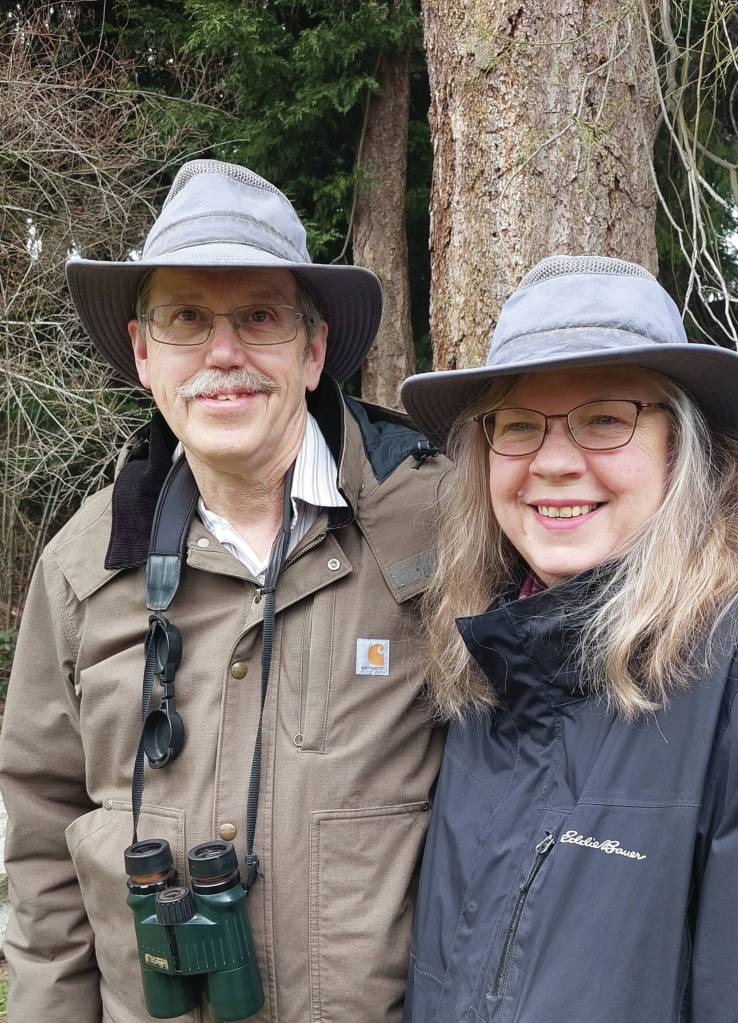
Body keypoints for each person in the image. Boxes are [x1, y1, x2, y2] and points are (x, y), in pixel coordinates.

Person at [399, 255, 738, 1022]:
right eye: (518, 424)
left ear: (682, 443)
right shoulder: (493, 655)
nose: (553, 462)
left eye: (605, 418)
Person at [0, 160, 445, 1022]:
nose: (223, 354)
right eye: (186, 319)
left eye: (259, 316)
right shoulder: (82, 567)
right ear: (143, 353)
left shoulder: (436, 530)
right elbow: (43, 848)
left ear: (313, 351)